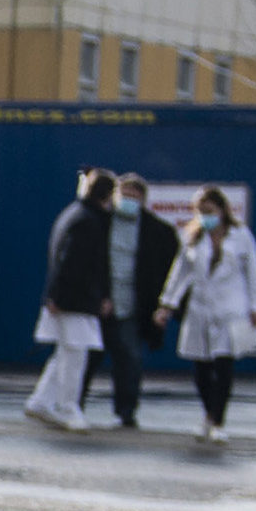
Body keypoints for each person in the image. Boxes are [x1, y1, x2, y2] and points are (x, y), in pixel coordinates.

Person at [156, 185, 256, 443]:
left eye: (210, 211)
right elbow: (180, 273)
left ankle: (218, 422)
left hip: (231, 310)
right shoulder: (192, 237)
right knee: (202, 369)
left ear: (223, 210)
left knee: (223, 366)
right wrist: (167, 304)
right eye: (201, 212)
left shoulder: (241, 235)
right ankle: (207, 414)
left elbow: (253, 272)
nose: (205, 216)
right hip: (200, 309)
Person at [75, 173, 180, 429]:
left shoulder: (157, 231)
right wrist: (98, 295)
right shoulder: (100, 222)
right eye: (125, 195)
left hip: (131, 307)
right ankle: (73, 406)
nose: (129, 200)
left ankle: (126, 411)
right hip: (100, 304)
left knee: (130, 360)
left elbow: (167, 270)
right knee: (87, 358)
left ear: (143, 200)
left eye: (135, 196)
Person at [26, 171, 115, 434]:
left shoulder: (73, 214)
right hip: (76, 299)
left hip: (68, 296)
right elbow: (72, 262)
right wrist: (60, 296)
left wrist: (53, 295)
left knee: (65, 353)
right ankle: (68, 408)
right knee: (75, 355)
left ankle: (41, 400)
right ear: (108, 195)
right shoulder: (88, 222)